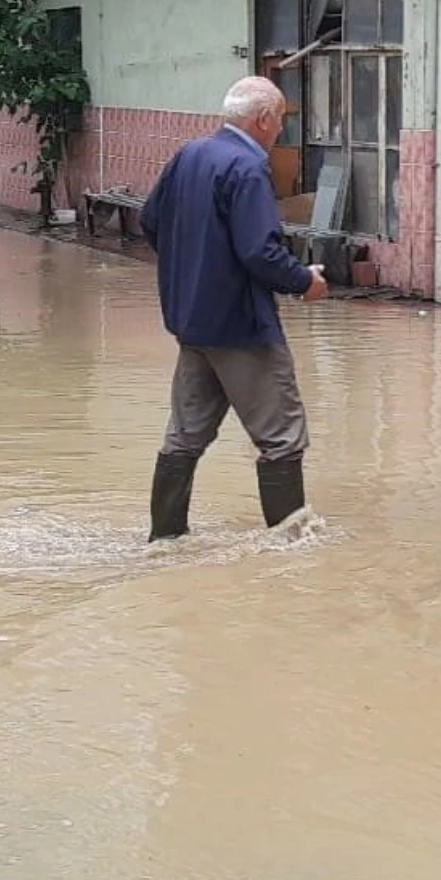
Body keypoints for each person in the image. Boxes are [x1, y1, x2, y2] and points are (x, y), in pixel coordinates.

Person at [140, 76, 329, 541]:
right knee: (283, 439)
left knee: (184, 436)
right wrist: (306, 281)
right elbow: (259, 253)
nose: (279, 131)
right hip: (242, 328)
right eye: (280, 121)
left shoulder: (190, 155)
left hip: (192, 323)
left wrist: (194, 271)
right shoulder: (248, 167)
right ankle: (291, 552)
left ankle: (165, 541)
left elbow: (150, 222)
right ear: (262, 119)